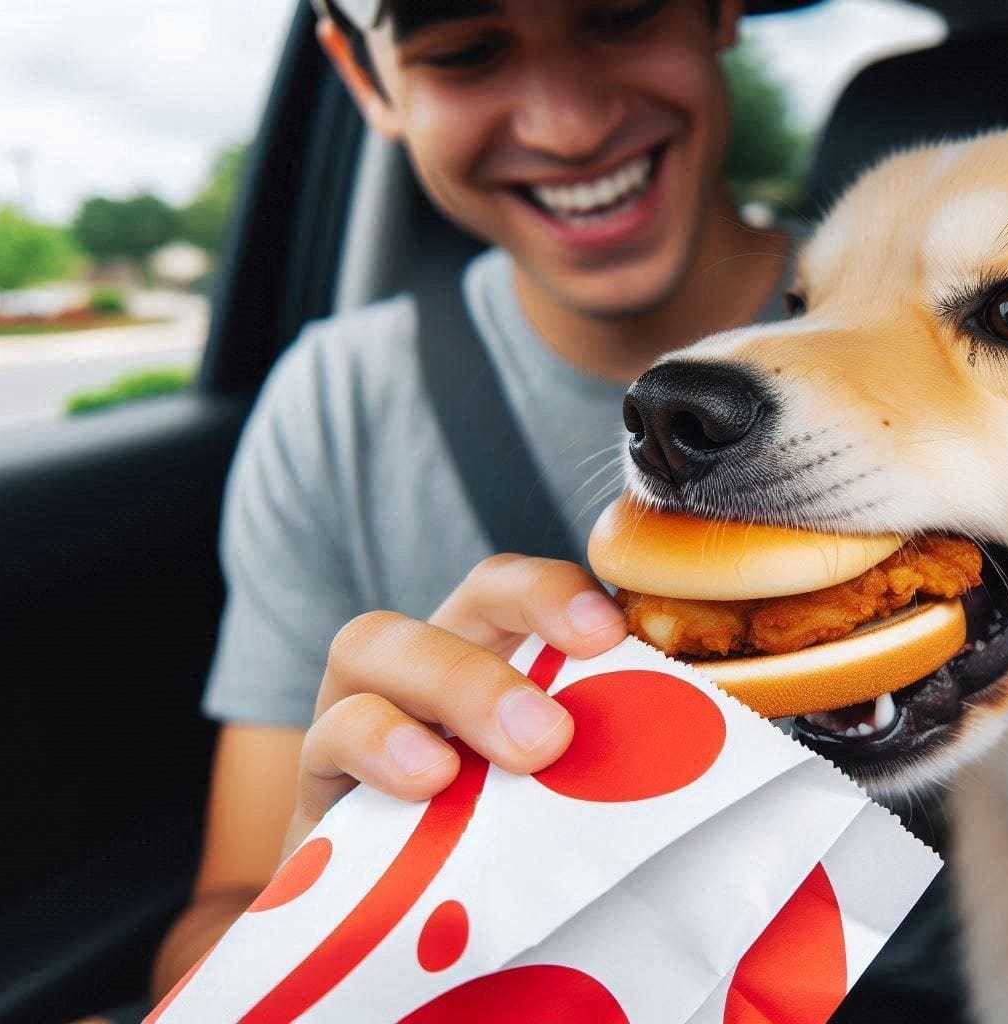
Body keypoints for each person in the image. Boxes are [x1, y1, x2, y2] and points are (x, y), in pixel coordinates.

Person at [77, 1, 817, 1020]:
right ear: (367, 80)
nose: (566, 125)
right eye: (467, 53)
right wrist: (324, 907)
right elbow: (222, 918)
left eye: (618, 12)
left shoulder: (979, 345)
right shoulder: (336, 407)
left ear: (718, 8)